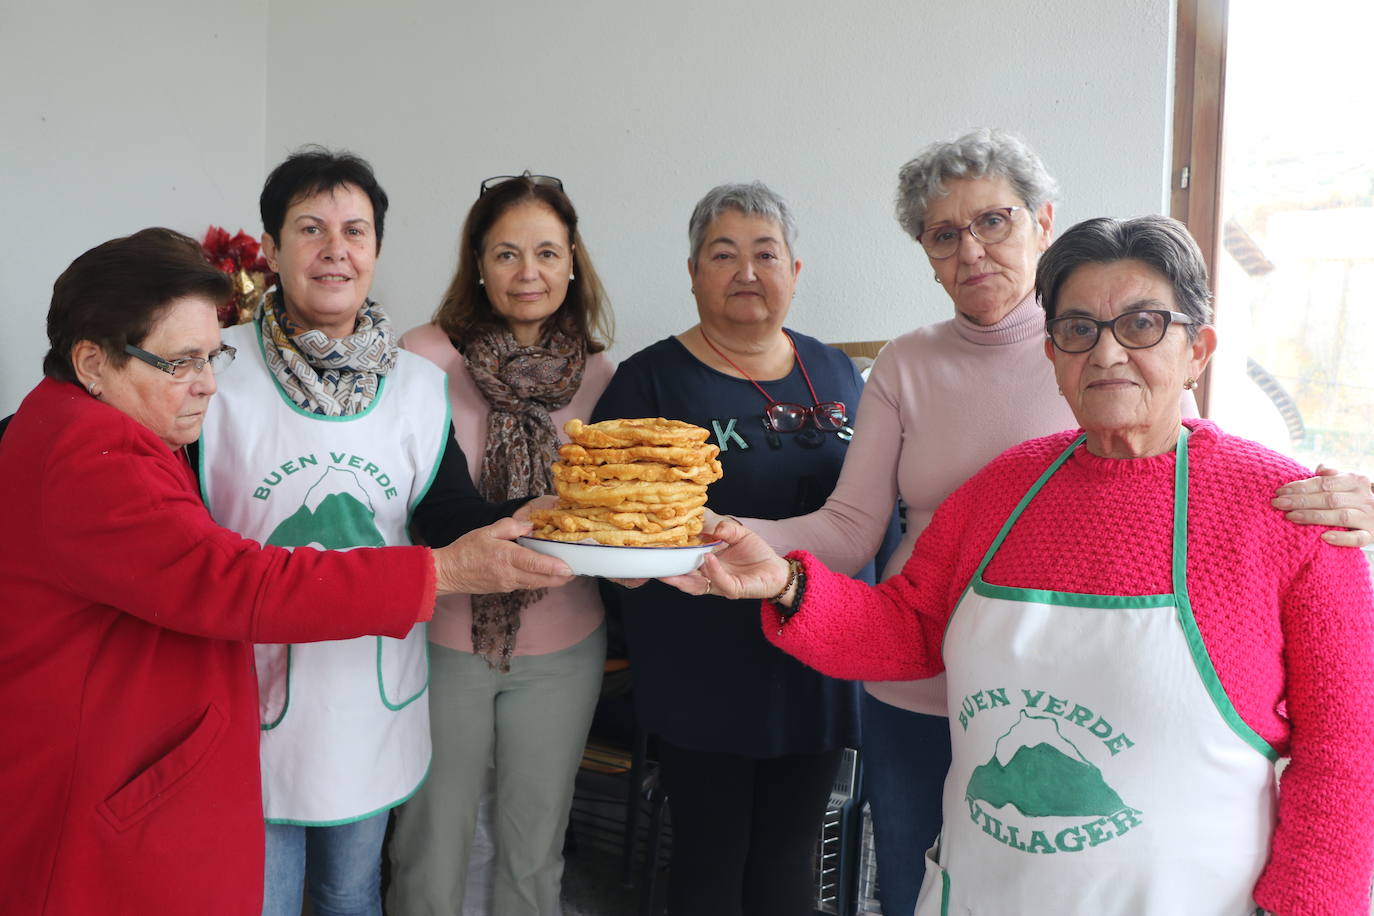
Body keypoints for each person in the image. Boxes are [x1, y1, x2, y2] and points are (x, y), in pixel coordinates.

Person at [730, 127, 1374, 916]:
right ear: (1054, 357)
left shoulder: (1289, 509)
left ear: (1198, 350)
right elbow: (906, 626)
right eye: (1078, 332)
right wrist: (784, 583)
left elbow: (1346, 749)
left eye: (1142, 326)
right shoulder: (1002, 486)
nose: (1107, 354)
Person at [0, 228, 573, 915]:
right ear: (91, 361)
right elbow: (238, 581)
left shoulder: (92, 423)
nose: (208, 387)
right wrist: (441, 574)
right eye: (181, 363)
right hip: (108, 777)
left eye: (212, 358)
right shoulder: (93, 459)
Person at [195, 148, 563, 916]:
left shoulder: (415, 388)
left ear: (377, 251)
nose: (336, 249)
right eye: (311, 229)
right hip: (242, 699)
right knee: (255, 896)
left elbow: (450, 517)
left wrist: (548, 515)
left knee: (351, 892)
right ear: (270, 249)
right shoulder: (211, 375)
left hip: (368, 697)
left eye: (355, 231)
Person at [592, 181, 891, 916]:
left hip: (820, 651)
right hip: (705, 663)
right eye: (724, 255)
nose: (747, 272)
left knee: (792, 856)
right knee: (712, 858)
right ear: (693, 272)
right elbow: (609, 520)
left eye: (766, 254)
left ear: (796, 271)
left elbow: (869, 505)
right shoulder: (650, 379)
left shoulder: (837, 372)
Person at [386, 171, 616, 915]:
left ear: (572, 263)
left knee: (535, 850)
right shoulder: (423, 358)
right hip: (445, 637)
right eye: (508, 254)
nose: (529, 273)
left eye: (547, 253)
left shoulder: (601, 373)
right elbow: (412, 500)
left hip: (564, 643)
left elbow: (614, 512)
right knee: (430, 844)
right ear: (478, 265)